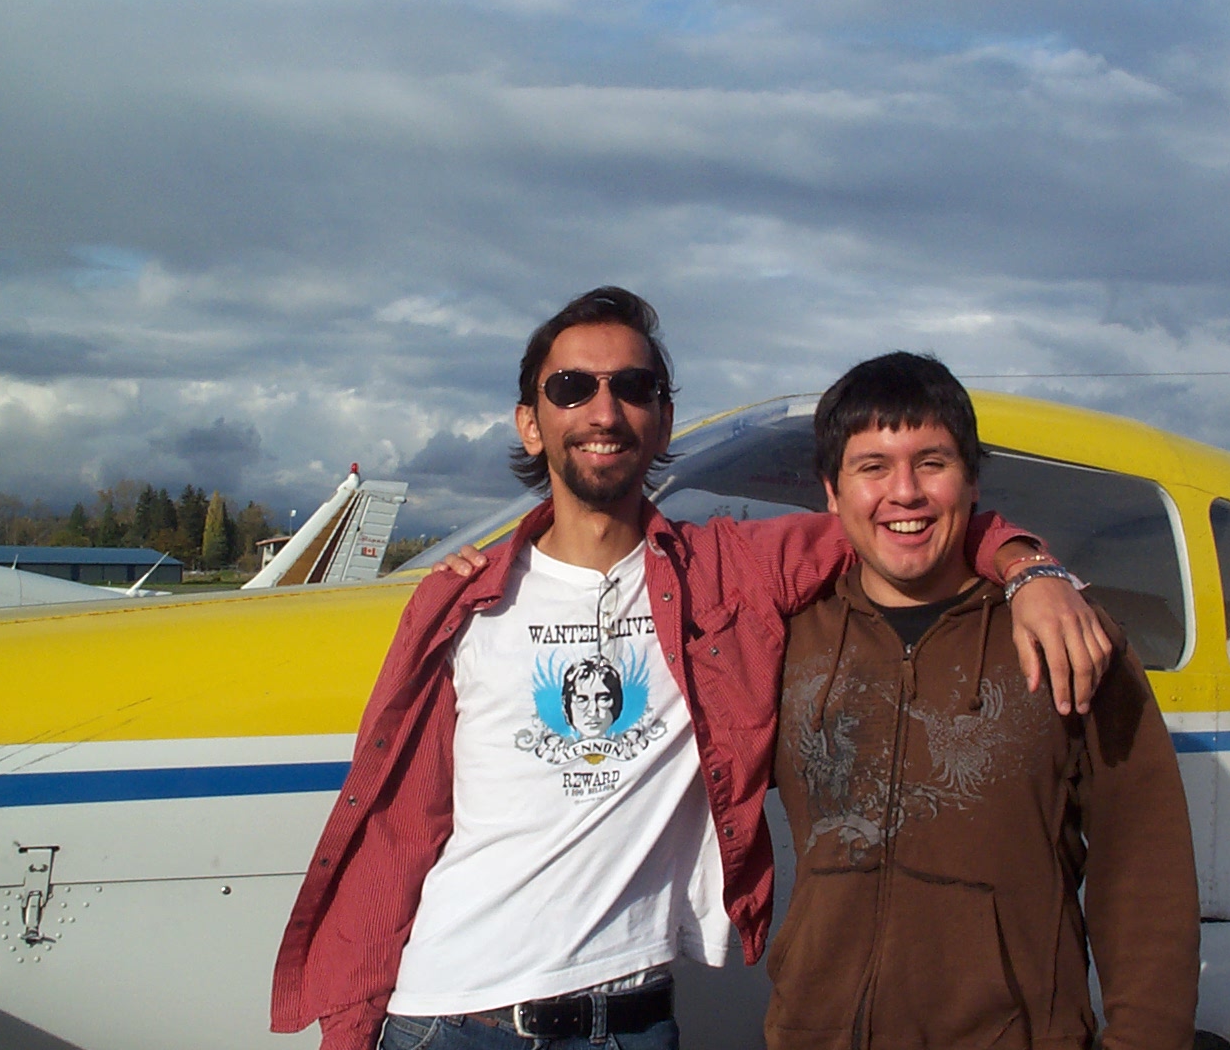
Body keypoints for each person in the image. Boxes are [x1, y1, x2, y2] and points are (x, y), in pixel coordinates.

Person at [271, 287, 1111, 1050]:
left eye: (634, 388)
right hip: (453, 1021)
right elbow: (397, 833)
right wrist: (352, 1030)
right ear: (531, 422)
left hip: (636, 1022)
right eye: (572, 388)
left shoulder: (729, 572)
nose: (605, 409)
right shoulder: (461, 603)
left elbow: (898, 513)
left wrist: (1026, 566)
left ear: (664, 421)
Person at [764, 352, 1199, 1050]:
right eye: (872, 467)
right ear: (831, 491)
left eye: (930, 462)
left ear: (971, 481)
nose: (903, 492)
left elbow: (1143, 865)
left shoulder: (1071, 635)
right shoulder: (786, 642)